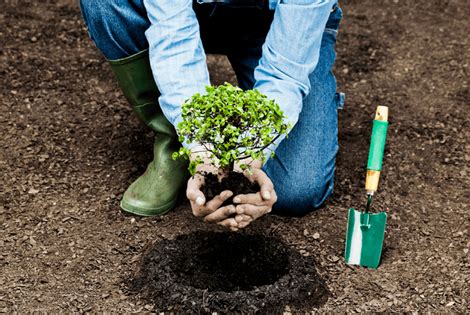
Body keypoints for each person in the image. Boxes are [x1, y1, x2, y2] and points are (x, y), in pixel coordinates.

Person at [79, 0, 344, 230]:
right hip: (194, 12)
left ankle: (236, 134)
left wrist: (252, 152)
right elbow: (174, 37)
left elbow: (284, 73)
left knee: (296, 190)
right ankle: (174, 143)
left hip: (277, 23)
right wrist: (201, 148)